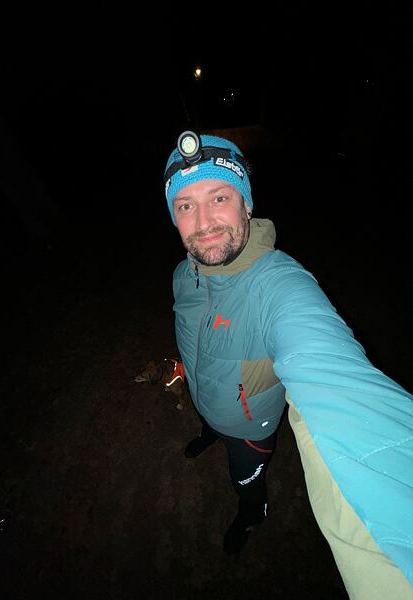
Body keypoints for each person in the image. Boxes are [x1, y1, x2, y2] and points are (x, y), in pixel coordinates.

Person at [163, 131, 413, 598]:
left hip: (248, 429)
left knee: (244, 480)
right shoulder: (184, 273)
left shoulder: (278, 286)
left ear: (247, 204)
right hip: (207, 400)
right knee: (208, 417)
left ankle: (251, 514)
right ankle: (208, 430)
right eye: (186, 206)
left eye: (219, 197)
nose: (204, 222)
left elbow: (333, 372)